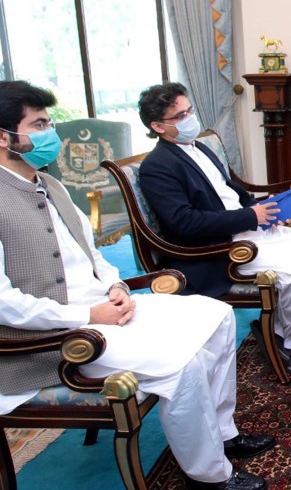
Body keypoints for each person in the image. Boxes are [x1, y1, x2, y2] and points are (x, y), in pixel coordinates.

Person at [0, 81, 274, 490]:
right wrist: (88, 315)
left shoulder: (49, 184)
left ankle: (223, 434)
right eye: (39, 124)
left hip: (105, 309)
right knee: (183, 365)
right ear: (5, 137)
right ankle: (209, 475)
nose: (50, 132)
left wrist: (115, 287)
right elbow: (3, 302)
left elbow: (93, 256)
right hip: (52, 338)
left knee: (216, 316)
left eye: (49, 121)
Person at [137, 82, 291, 375]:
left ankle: (277, 327)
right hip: (215, 248)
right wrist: (251, 217)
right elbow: (185, 223)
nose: (189, 118)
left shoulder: (198, 146)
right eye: (179, 116)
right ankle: (290, 343)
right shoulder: (158, 166)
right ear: (158, 126)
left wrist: (264, 208)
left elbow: (229, 193)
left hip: (244, 227)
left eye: (189, 110)